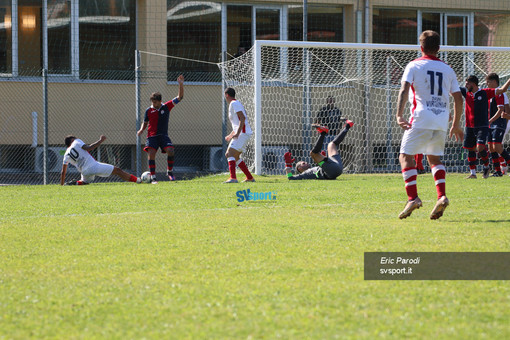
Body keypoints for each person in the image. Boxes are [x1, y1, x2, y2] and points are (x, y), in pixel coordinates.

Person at [396, 30, 464, 220]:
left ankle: (413, 198)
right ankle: (441, 196)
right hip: (441, 119)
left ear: (421, 47)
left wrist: (399, 115)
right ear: (439, 48)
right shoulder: (448, 69)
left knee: (405, 156)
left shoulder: (413, 65)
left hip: (421, 116)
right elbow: (458, 98)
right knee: (434, 158)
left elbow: (404, 90)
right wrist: (456, 124)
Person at [459, 75, 509, 179]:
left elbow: (503, 90)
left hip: (482, 126)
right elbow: (453, 86)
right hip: (469, 126)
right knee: (471, 149)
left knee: (481, 147)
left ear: (472, 84)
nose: (465, 85)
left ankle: (487, 166)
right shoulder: (466, 92)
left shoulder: (485, 92)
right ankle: (473, 173)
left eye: (467, 83)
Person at [137, 75, 184, 184]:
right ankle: (153, 177)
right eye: (152, 102)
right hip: (152, 136)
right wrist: (141, 130)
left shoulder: (166, 107)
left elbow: (180, 97)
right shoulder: (148, 111)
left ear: (160, 101)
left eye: (156, 102)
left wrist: (181, 84)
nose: (154, 104)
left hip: (163, 136)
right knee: (151, 153)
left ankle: (170, 171)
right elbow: (145, 122)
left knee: (171, 151)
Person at [284, 120, 353, 180]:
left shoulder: (314, 169)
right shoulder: (305, 174)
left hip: (336, 167)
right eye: (303, 163)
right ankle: (323, 133)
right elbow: (291, 178)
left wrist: (324, 159)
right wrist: (288, 165)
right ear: (300, 169)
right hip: (333, 170)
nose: (307, 163)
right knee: (312, 154)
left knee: (331, 145)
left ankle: (348, 126)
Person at [60, 135, 141, 185]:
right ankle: (138, 180)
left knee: (84, 182)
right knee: (118, 170)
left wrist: (62, 184)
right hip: (93, 166)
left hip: (84, 172)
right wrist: (100, 141)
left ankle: (75, 184)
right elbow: (89, 148)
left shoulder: (66, 154)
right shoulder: (76, 141)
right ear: (72, 140)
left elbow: (63, 172)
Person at [223, 87, 255, 183]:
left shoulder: (234, 103)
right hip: (242, 133)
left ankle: (233, 178)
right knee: (235, 156)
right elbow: (237, 123)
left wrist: (237, 133)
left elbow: (242, 118)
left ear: (227, 95)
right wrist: (231, 134)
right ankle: (249, 177)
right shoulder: (234, 104)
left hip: (243, 133)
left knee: (229, 154)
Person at [486, 73, 510, 176]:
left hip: (500, 123)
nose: (487, 84)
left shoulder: (501, 94)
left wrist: (506, 120)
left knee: (497, 147)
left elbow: (505, 110)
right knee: (491, 147)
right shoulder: (490, 94)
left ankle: (505, 166)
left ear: (495, 82)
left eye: (488, 81)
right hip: (491, 124)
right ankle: (498, 171)